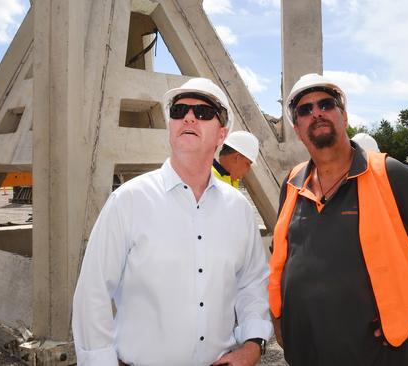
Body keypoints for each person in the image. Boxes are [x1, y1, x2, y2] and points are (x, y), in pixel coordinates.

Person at [268, 73, 408, 366]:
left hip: (377, 355)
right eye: (304, 110)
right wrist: (279, 319)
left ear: (344, 116)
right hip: (306, 351)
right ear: (297, 128)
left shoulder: (389, 175)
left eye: (325, 104)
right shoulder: (293, 182)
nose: (316, 113)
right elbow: (284, 259)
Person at [72, 78, 272, 366]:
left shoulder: (239, 210)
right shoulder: (128, 200)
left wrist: (253, 345)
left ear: (221, 135)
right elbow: (92, 293)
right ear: (171, 127)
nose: (188, 117)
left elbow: (252, 284)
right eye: (179, 111)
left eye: (203, 113)